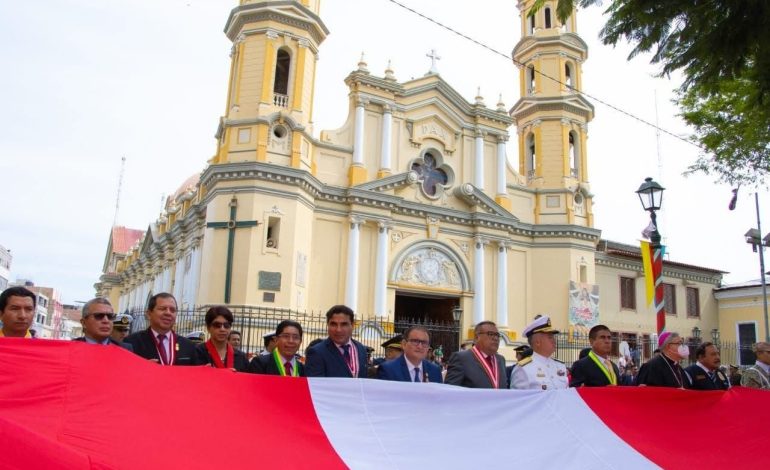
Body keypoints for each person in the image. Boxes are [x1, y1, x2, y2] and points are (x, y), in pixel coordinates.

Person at [123, 293, 201, 366]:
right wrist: (141, 368)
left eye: (172, 310)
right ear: (149, 314)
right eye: (162, 309)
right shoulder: (132, 342)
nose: (168, 313)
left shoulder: (188, 346)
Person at [305, 305, 368, 378]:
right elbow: (315, 386)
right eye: (333, 324)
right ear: (327, 325)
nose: (338, 330)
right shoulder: (317, 352)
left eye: (344, 324)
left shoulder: (361, 349)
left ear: (352, 325)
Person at [511, 315, 568, 390]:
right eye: (550, 337)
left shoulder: (560, 365)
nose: (554, 341)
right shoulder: (524, 368)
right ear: (537, 342)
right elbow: (519, 399)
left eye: (553, 337)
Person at [445, 321, 507, 389]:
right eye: (490, 334)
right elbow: (450, 391)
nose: (495, 338)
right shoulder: (462, 358)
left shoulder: (501, 360)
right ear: (476, 338)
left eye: (497, 335)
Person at [377, 326, 442, 383]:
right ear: (404, 344)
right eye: (415, 341)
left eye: (424, 343)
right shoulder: (388, 369)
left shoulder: (435, 371)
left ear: (428, 347)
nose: (420, 346)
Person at [197, 306, 248, 372]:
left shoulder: (241, 357)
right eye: (217, 325)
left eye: (226, 325)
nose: (222, 329)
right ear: (208, 328)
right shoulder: (197, 353)